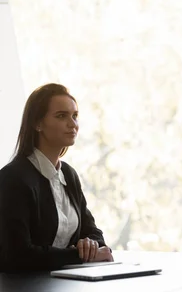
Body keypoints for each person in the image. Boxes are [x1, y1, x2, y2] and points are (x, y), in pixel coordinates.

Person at [0, 83, 113, 271]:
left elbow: (94, 233)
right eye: (62, 116)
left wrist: (90, 245)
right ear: (37, 123)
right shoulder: (12, 179)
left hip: (64, 285)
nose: (73, 124)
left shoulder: (69, 175)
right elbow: (18, 255)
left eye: (75, 116)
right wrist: (79, 255)